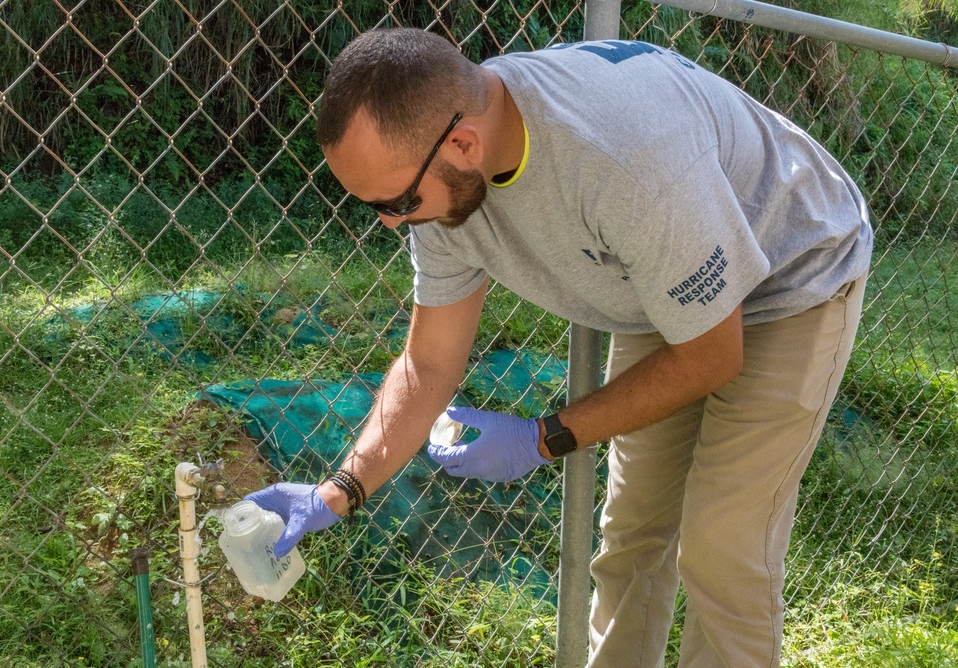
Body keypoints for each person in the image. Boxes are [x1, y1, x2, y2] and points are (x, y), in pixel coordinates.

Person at [246, 27, 872, 667]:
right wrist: (341, 488)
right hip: (666, 280)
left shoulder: (624, 162)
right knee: (631, 536)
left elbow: (712, 357)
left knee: (721, 546)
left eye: (398, 201)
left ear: (463, 144)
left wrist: (543, 437)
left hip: (794, 275)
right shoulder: (445, 173)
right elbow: (429, 363)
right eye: (373, 206)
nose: (390, 222)